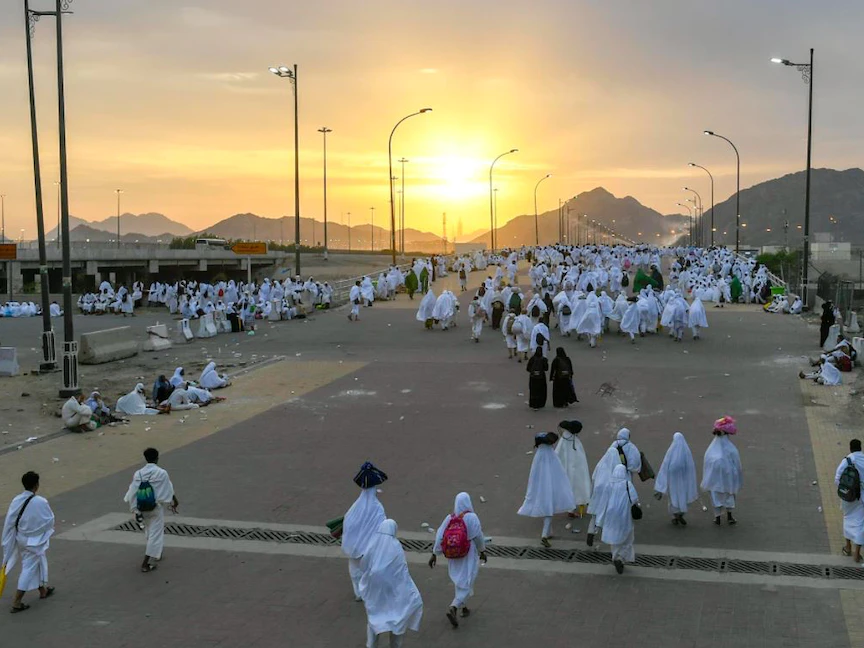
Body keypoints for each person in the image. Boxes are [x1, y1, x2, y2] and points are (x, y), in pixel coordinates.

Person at [359, 519, 423, 648]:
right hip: (393, 589)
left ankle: (371, 644)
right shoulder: (395, 546)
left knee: (374, 616)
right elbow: (402, 569)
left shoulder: (373, 544)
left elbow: (363, 564)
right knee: (397, 617)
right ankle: (395, 645)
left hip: (375, 589)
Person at [429, 492, 487, 628]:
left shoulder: (449, 518)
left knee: (460, 580)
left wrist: (434, 554)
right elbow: (478, 536)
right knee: (467, 579)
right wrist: (482, 550)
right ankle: (454, 606)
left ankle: (464, 607)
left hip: (453, 555)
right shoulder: (472, 517)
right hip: (468, 552)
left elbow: (439, 535)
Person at [2, 471, 55, 613]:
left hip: (21, 539)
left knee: (37, 561)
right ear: (36, 485)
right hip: (35, 541)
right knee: (29, 567)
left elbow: (9, 522)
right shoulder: (41, 502)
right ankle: (17, 601)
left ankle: (42, 590)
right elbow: (49, 521)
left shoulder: (16, 500)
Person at [123, 448, 178, 573]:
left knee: (149, 531)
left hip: (142, 508)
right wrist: (174, 500)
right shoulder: (161, 473)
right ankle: (146, 563)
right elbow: (168, 488)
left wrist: (135, 509)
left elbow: (132, 491)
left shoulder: (138, 474)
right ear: (157, 458)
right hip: (155, 508)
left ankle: (156, 553)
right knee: (155, 534)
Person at [517, 432, 576, 546]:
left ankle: (548, 533)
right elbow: (560, 474)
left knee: (546, 508)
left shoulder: (538, 456)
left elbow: (533, 475)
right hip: (551, 487)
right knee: (549, 509)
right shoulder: (551, 455)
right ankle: (544, 534)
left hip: (540, 488)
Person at [342, 462, 387, 602]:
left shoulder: (355, 508)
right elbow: (382, 526)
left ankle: (358, 592)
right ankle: (369, 591)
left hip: (354, 545)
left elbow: (348, 524)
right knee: (369, 568)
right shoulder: (377, 508)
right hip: (370, 546)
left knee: (355, 568)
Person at [701, 416, 742, 526]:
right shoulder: (731, 449)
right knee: (729, 496)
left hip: (715, 481)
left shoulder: (711, 451)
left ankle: (717, 518)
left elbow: (707, 465)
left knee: (716, 497)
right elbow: (737, 464)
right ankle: (729, 516)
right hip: (728, 479)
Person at [598, 464, 639, 574]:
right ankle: (621, 558)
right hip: (624, 516)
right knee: (628, 538)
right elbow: (634, 499)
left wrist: (599, 521)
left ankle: (615, 557)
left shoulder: (609, 485)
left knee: (614, 539)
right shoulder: (627, 484)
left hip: (611, 516)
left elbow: (603, 502)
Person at [653, 432, 699, 525]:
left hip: (673, 480)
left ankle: (675, 516)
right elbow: (690, 466)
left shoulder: (671, 451)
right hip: (683, 480)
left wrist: (660, 486)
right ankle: (681, 514)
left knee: (673, 497)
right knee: (683, 496)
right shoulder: (686, 451)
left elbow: (665, 466)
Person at [554, 421, 591, 518]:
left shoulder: (564, 439)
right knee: (575, 488)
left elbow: (557, 454)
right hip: (574, 471)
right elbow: (580, 460)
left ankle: (568, 507)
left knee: (566, 487)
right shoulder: (575, 442)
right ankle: (573, 508)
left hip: (564, 470)